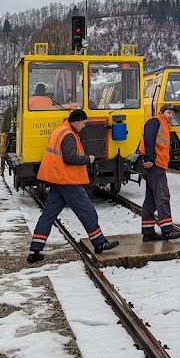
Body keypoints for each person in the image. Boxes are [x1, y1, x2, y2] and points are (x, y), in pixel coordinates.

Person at [28, 109, 119, 262]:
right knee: (88, 212)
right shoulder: (69, 134)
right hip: (68, 181)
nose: (84, 126)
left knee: (48, 215)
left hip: (57, 181)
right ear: (76, 121)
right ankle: (99, 243)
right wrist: (87, 159)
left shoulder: (59, 131)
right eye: (83, 123)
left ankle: (35, 250)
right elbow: (69, 158)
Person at [138, 104, 179, 240]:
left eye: (172, 114)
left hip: (156, 164)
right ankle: (167, 230)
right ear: (162, 112)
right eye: (168, 112)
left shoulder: (163, 124)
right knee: (162, 196)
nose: (171, 116)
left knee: (151, 198)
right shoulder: (155, 121)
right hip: (155, 165)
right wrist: (150, 158)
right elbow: (149, 140)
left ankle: (148, 231)